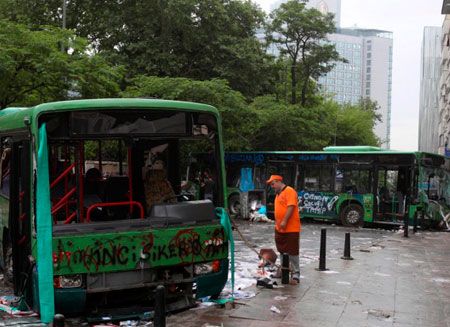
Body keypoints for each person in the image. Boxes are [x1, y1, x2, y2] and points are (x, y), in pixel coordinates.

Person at [267, 174, 301, 283]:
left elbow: (291, 207)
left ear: (278, 181)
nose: (272, 186)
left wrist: (285, 220)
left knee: (293, 251)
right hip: (280, 228)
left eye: (273, 184)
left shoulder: (289, 191)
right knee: (282, 250)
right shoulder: (278, 194)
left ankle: (296, 274)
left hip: (291, 228)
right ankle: (283, 270)